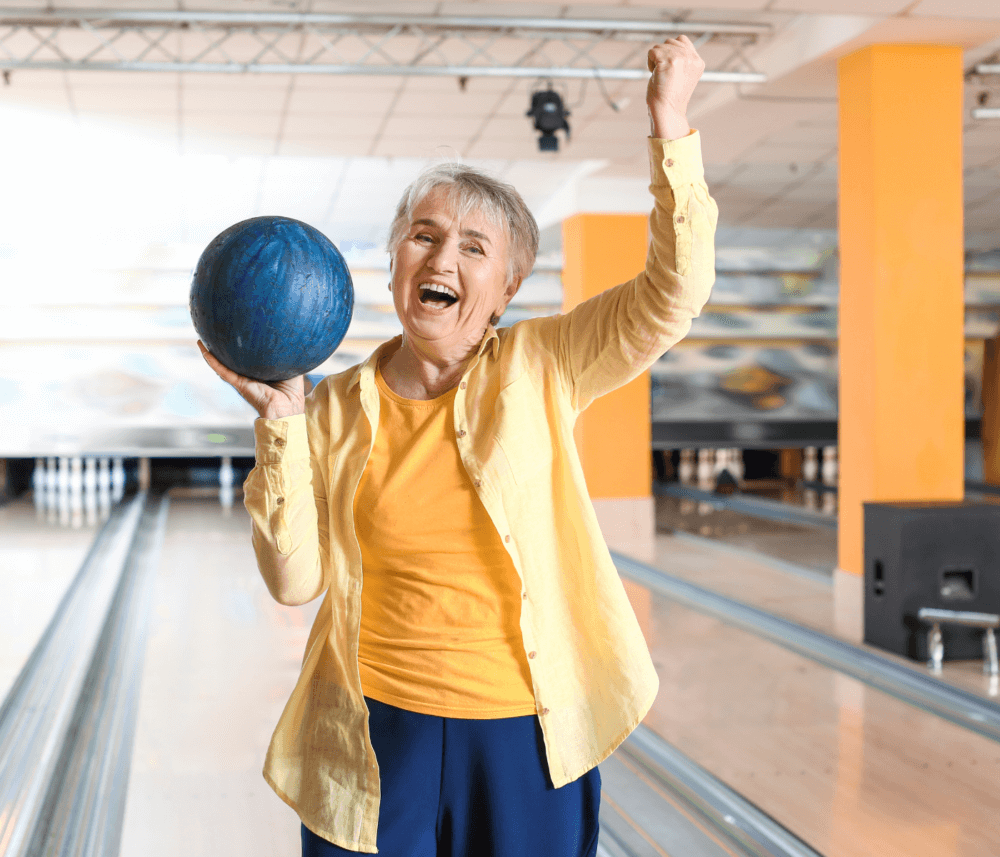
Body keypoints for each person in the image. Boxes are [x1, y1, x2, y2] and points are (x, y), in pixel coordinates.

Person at [199, 34, 717, 857]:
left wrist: (670, 125)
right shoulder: (329, 409)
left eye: (475, 247)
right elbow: (294, 581)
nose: (442, 256)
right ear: (395, 256)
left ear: (508, 287)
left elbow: (674, 291)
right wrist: (280, 419)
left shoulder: (544, 363)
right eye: (424, 235)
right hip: (372, 729)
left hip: (522, 732)